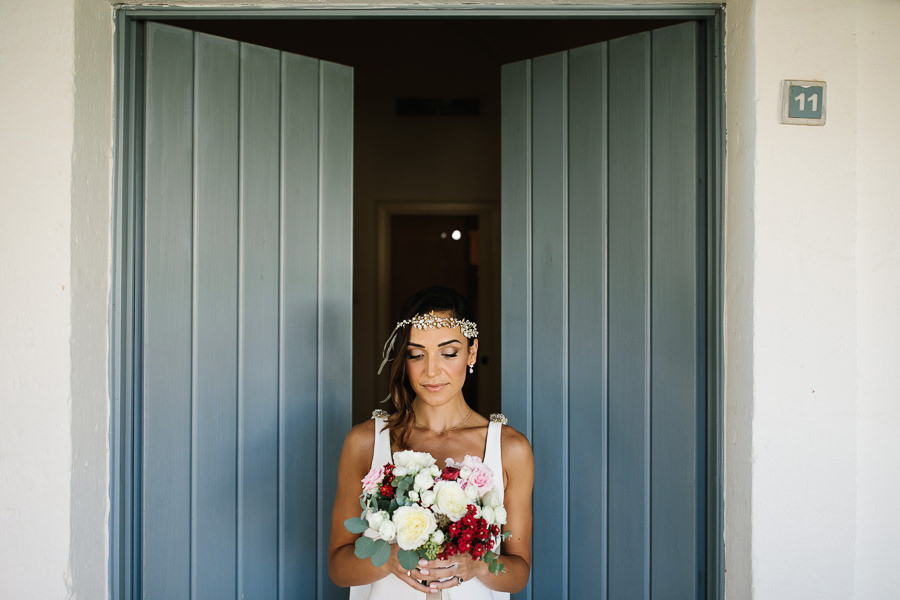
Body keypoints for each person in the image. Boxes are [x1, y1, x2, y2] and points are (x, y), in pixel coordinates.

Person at [329, 286, 534, 599]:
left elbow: (518, 573)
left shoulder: (509, 448)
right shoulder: (365, 442)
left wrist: (478, 566)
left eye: (448, 353)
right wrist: (388, 560)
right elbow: (338, 568)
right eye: (416, 354)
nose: (432, 371)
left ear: (472, 351)